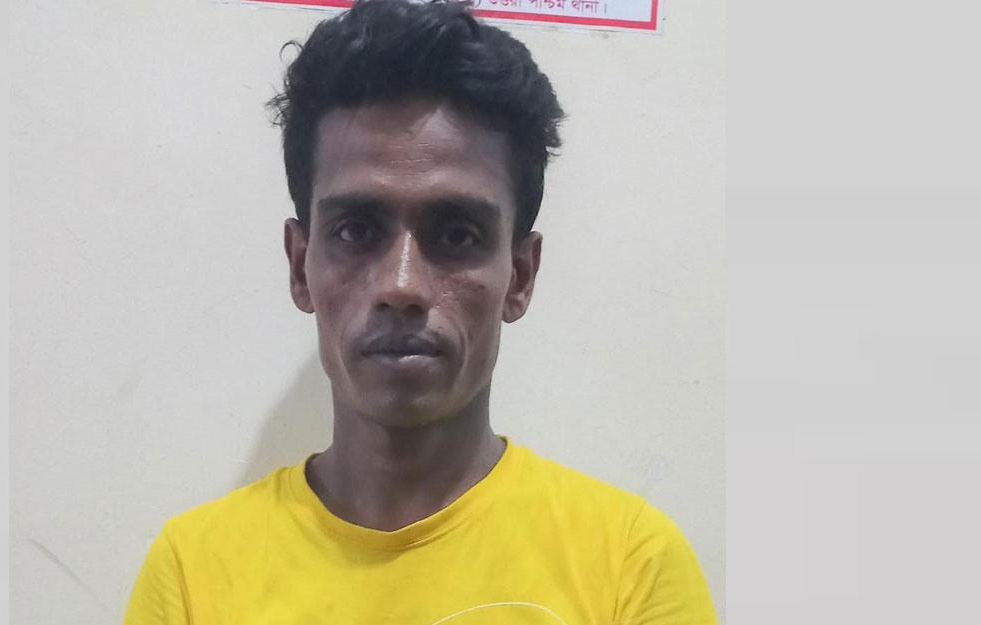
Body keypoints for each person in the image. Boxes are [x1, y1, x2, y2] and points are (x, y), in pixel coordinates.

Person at [122, 1, 717, 623]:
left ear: (520, 275)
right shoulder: (193, 571)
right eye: (356, 231)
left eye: (457, 234)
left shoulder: (630, 566)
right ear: (300, 267)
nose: (401, 285)